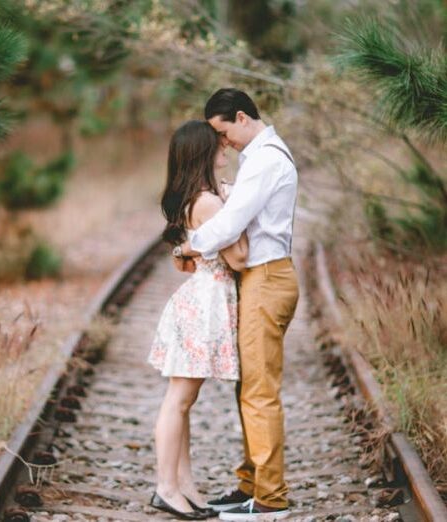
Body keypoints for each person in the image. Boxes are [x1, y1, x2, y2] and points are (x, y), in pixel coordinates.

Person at [177, 88, 299, 520]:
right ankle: (251, 484)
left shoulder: (265, 159)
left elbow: (230, 224)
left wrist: (189, 247)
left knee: (259, 391)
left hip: (267, 279)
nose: (221, 142)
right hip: (260, 280)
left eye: (222, 131)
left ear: (242, 117)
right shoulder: (258, 157)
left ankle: (270, 500)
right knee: (247, 386)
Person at [148, 120, 249, 521]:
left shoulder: (203, 196)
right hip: (204, 302)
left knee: (184, 401)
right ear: (203, 153)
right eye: (217, 144)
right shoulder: (208, 201)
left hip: (201, 298)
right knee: (179, 399)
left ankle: (184, 485)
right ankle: (166, 487)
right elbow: (238, 257)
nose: (225, 147)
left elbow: (190, 256)